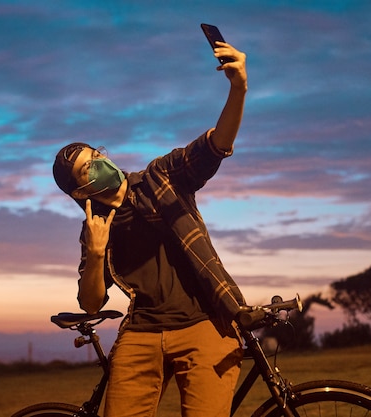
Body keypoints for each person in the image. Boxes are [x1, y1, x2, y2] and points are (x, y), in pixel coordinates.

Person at [52, 40, 248, 417]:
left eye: (97, 156)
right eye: (86, 170)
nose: (99, 165)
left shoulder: (162, 177)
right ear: (80, 190)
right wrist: (95, 253)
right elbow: (91, 303)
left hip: (203, 323)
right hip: (141, 333)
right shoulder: (95, 228)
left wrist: (238, 88)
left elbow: (215, 145)